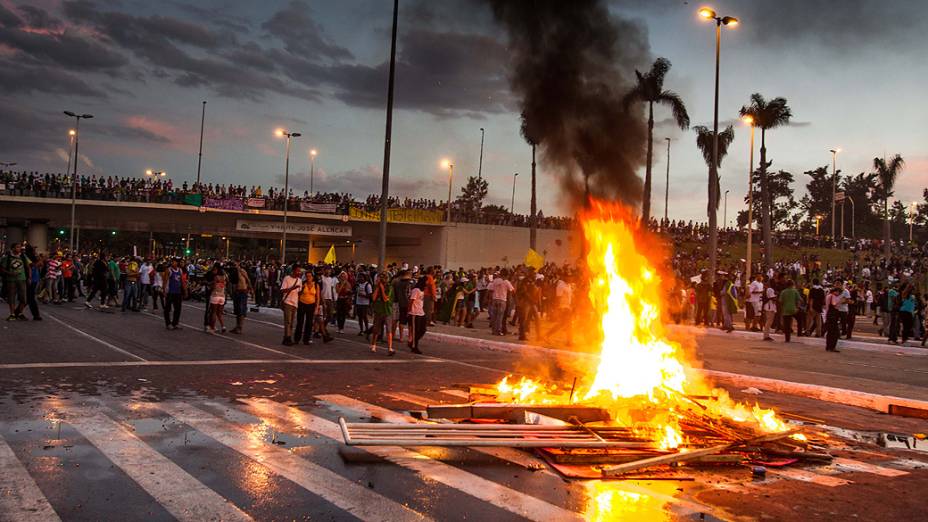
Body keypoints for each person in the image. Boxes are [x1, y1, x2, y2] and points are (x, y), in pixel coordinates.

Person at [0, 242, 30, 320]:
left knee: (24, 298)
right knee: (11, 297)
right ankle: (12, 314)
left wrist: (29, 277)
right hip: (11, 280)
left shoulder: (23, 256)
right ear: (12, 248)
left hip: (22, 279)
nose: (19, 249)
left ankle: (20, 312)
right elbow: (2, 269)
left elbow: (28, 266)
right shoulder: (7, 257)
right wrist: (9, 273)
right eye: (17, 247)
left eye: (20, 247)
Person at [369, 271, 395, 355]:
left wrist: (382, 288)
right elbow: (373, 298)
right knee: (376, 329)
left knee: (388, 330)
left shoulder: (389, 287)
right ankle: (373, 345)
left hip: (387, 311)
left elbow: (385, 299)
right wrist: (378, 288)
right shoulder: (376, 287)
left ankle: (390, 348)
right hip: (378, 310)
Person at [279, 264, 302, 345]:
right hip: (287, 302)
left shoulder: (299, 280)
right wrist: (293, 288)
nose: (299, 272)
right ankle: (287, 338)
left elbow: (299, 292)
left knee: (291, 322)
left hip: (295, 303)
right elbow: (282, 290)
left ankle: (287, 337)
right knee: (288, 321)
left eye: (300, 271)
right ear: (293, 270)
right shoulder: (287, 278)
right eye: (298, 270)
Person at [487, 269, 515, 336]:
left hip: (495, 300)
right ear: (506, 275)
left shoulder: (495, 280)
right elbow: (512, 290)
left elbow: (490, 289)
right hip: (502, 300)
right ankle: (498, 331)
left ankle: (493, 331)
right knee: (500, 317)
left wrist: (490, 299)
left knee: (494, 316)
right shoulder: (506, 282)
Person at [294, 271, 318, 345]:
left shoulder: (316, 285)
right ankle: (297, 338)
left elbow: (318, 297)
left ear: (312, 277)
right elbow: (298, 294)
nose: (308, 278)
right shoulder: (303, 284)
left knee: (309, 322)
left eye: (310, 276)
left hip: (311, 305)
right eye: (307, 276)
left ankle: (306, 339)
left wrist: (316, 308)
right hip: (302, 304)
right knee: (300, 322)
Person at [162, 258, 186, 330]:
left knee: (178, 308)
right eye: (172, 262)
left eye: (174, 262)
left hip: (177, 292)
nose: (173, 263)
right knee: (167, 308)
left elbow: (182, 281)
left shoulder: (180, 270)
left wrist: (185, 290)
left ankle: (175, 323)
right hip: (170, 292)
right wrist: (164, 291)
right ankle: (168, 323)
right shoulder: (168, 270)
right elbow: (165, 281)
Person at [230, 261, 253, 334]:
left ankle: (240, 327)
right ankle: (237, 326)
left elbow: (248, 280)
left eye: (236, 264)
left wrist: (251, 289)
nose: (235, 265)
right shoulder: (233, 272)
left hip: (242, 291)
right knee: (237, 310)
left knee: (241, 310)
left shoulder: (242, 271)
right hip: (236, 292)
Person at [407, 276, 427, 354]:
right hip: (414, 313)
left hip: (421, 312)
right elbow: (411, 301)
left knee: (423, 329)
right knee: (415, 331)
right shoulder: (416, 290)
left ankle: (412, 342)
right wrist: (408, 312)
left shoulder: (422, 291)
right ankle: (414, 347)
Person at [207, 266, 227, 333]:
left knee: (213, 312)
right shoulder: (224, 277)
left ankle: (212, 328)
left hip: (215, 295)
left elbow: (214, 286)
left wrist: (210, 286)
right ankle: (223, 326)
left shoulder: (216, 277)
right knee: (219, 313)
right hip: (222, 296)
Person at [824, 285, 842, 352]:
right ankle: (832, 347)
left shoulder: (828, 296)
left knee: (830, 332)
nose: (839, 294)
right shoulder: (833, 296)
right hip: (833, 316)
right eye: (839, 292)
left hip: (829, 315)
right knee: (835, 332)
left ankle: (828, 346)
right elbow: (834, 304)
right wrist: (840, 301)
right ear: (836, 291)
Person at [762, 277, 777, 341]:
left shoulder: (769, 289)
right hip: (770, 307)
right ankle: (766, 335)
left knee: (769, 322)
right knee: (768, 322)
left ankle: (767, 335)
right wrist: (776, 297)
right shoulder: (770, 289)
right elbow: (773, 298)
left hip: (769, 306)